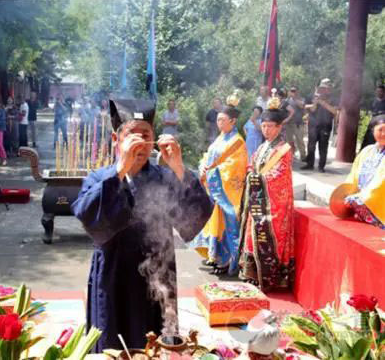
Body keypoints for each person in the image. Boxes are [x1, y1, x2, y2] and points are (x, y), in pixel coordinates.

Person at [71, 99, 212, 352]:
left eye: (145, 134)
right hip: (114, 273)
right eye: (131, 135)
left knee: (156, 340)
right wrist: (120, 170)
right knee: (111, 342)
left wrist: (179, 168)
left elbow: (192, 222)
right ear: (116, 139)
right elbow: (89, 219)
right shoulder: (99, 178)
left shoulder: (166, 176)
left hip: (158, 273)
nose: (139, 141)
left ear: (154, 139)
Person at [239, 93, 295, 291]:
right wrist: (249, 173)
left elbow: (279, 175)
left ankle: (271, 278)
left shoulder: (284, 149)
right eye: (263, 125)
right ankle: (253, 274)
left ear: (279, 127)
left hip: (274, 204)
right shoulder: (262, 147)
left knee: (269, 238)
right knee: (252, 235)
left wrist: (256, 178)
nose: (266, 129)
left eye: (270, 126)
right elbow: (251, 165)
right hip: (258, 199)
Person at [191, 93, 248, 275]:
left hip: (225, 191)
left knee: (225, 223)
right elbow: (208, 156)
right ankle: (213, 255)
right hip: (213, 187)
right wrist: (202, 167)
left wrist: (212, 173)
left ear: (233, 121)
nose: (219, 123)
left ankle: (227, 260)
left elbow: (235, 167)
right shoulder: (220, 137)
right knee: (212, 220)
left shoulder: (237, 141)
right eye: (218, 120)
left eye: (223, 120)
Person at [342, 114, 385, 229]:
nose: (384, 134)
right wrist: (346, 192)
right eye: (380, 130)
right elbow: (354, 174)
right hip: (361, 200)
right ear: (373, 131)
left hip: (379, 202)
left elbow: (382, 180)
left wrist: (362, 197)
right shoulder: (367, 151)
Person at [302, 78, 338, 172]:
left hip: (326, 126)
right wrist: (314, 103)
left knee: (323, 147)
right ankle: (309, 164)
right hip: (313, 125)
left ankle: (321, 166)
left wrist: (322, 102)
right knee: (311, 146)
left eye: (327, 87)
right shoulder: (311, 96)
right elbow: (307, 107)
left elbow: (334, 111)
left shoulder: (333, 98)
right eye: (323, 87)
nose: (325, 89)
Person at [361, 85, 385, 150]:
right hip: (373, 124)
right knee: (367, 141)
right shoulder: (374, 102)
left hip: (382, 126)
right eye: (377, 91)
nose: (379, 93)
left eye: (380, 91)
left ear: (384, 92)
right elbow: (370, 112)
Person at [286, 87, 307, 160]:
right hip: (289, 124)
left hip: (298, 123)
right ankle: (291, 155)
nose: (293, 92)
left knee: (300, 140)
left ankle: (303, 156)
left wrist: (294, 98)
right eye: (291, 91)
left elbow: (302, 106)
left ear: (297, 91)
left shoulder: (302, 99)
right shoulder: (287, 100)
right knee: (289, 141)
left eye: (294, 91)